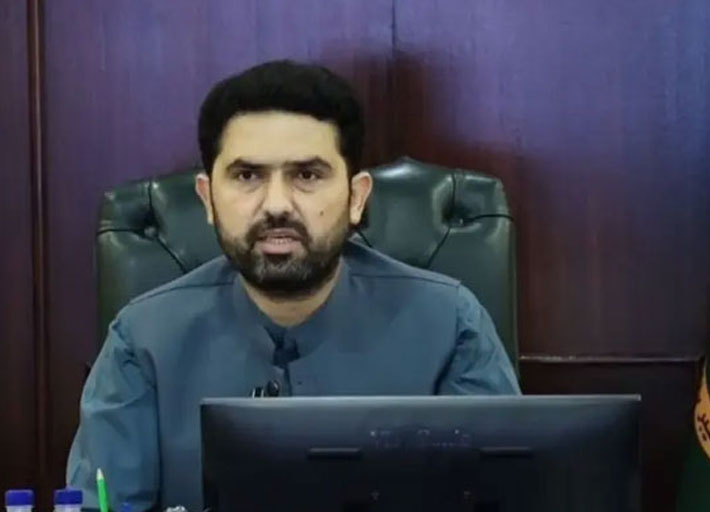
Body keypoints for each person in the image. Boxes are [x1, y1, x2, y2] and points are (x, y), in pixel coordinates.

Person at [66, 60, 520, 512]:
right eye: (247, 176)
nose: (277, 205)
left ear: (357, 197)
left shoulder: (451, 326)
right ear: (208, 198)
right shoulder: (142, 341)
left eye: (307, 175)